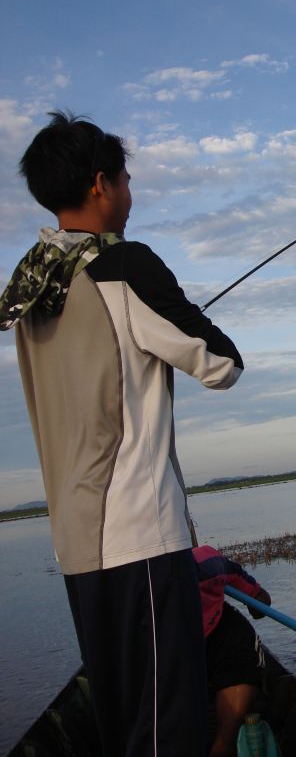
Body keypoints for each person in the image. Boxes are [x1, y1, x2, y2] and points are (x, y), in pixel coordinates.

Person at [0, 111, 244, 757]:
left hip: (77, 549)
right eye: (128, 180)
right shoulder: (123, 266)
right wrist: (185, 317)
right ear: (101, 183)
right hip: (139, 539)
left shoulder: (35, 286)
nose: (132, 195)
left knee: (126, 729)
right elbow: (222, 363)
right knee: (169, 735)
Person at [193, 545, 272, 757]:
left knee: (238, 638)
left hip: (207, 637)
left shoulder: (206, 566)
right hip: (164, 652)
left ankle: (223, 744)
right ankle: (223, 743)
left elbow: (260, 601)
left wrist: (257, 601)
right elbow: (260, 603)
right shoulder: (206, 563)